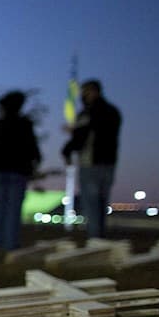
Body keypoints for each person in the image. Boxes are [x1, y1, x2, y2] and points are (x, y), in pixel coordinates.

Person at [62, 79, 121, 239]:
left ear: (94, 92)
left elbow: (83, 136)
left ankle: (95, 238)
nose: (83, 95)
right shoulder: (112, 111)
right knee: (100, 204)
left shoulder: (91, 113)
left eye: (85, 92)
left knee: (93, 204)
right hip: (107, 163)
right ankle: (98, 236)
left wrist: (67, 148)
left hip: (92, 164)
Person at [0, 91, 41, 252]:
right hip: (18, 171)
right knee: (13, 209)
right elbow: (32, 147)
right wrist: (34, 162)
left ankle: (0, 242)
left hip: (2, 170)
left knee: (1, 208)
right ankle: (10, 243)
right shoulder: (24, 124)